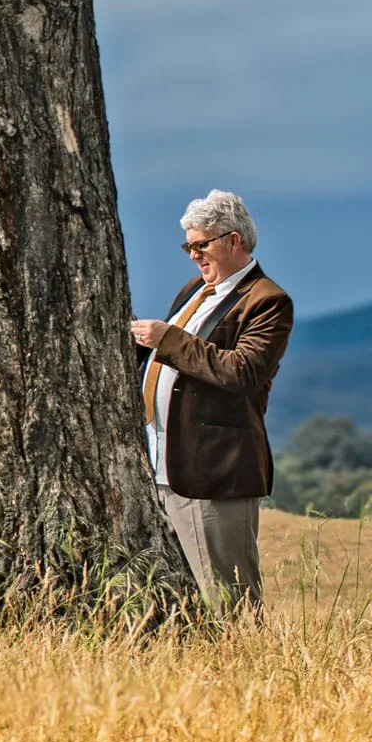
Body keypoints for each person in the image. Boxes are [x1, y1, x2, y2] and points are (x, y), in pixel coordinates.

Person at [131, 189, 293, 616]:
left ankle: (245, 673)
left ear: (233, 240)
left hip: (213, 472)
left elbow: (242, 372)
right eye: (188, 245)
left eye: (201, 245)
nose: (193, 255)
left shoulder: (267, 302)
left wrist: (167, 339)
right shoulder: (196, 289)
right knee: (183, 598)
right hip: (164, 466)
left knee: (229, 600)